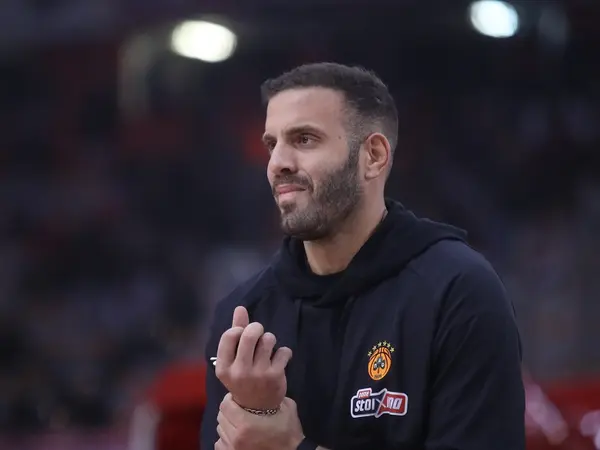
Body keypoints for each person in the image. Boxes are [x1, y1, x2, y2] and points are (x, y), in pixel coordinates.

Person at [200, 62, 525, 450]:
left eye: (304, 139)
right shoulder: (244, 315)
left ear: (373, 155)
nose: (277, 163)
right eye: (272, 144)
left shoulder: (459, 292)